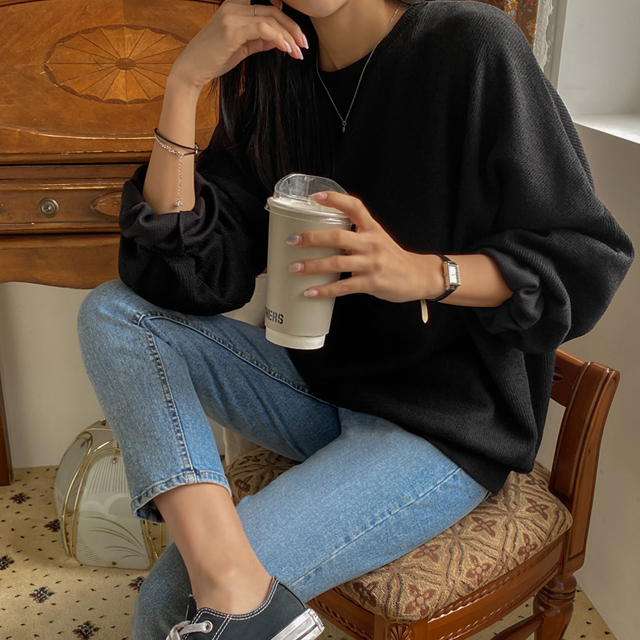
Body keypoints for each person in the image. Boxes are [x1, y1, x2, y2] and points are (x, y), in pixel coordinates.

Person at [77, 0, 634, 638]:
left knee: (170, 603)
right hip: (318, 390)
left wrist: (427, 274)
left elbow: (584, 258)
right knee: (115, 313)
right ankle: (234, 583)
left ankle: (234, 597)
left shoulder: (472, 46)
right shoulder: (279, 84)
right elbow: (182, 275)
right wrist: (185, 83)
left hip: (445, 424)